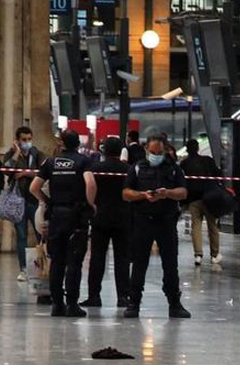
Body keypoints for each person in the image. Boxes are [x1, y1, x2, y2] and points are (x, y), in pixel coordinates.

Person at [123, 136, 191, 319]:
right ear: (146, 150)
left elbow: (183, 192)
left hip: (166, 222)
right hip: (143, 221)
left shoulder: (174, 169)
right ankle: (133, 303)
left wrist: (167, 193)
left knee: (170, 265)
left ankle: (174, 304)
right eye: (153, 153)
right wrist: (142, 195)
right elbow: (126, 193)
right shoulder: (136, 168)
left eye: (160, 153)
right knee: (139, 264)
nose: (156, 156)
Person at [29, 130, 95, 317]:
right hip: (76, 216)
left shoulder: (50, 162)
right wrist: (90, 204)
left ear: (61, 143)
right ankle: (72, 304)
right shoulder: (83, 161)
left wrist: (47, 201)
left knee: (56, 261)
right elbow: (90, 183)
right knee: (74, 261)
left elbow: (35, 187)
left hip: (56, 215)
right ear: (77, 144)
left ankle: (57, 304)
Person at [81, 137, 132, 308]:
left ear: (103, 151)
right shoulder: (129, 169)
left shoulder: (95, 168)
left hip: (100, 217)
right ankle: (123, 296)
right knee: (122, 259)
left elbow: (89, 188)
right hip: (123, 218)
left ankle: (94, 296)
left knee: (97, 258)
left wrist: (92, 205)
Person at [4, 126, 45, 282]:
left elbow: (43, 171)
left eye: (29, 139)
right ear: (18, 140)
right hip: (18, 201)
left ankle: (41, 266)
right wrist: (15, 153)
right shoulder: (12, 154)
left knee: (40, 235)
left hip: (35, 201)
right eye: (23, 139)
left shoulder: (37, 154)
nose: (27, 142)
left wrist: (26, 173)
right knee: (21, 236)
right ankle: (23, 269)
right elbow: (7, 170)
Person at [180, 139, 223, 266]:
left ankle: (198, 255)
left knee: (196, 226)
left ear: (187, 149)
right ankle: (214, 255)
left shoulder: (184, 163)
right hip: (209, 198)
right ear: (198, 148)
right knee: (212, 226)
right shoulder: (208, 160)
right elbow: (218, 174)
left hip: (194, 199)